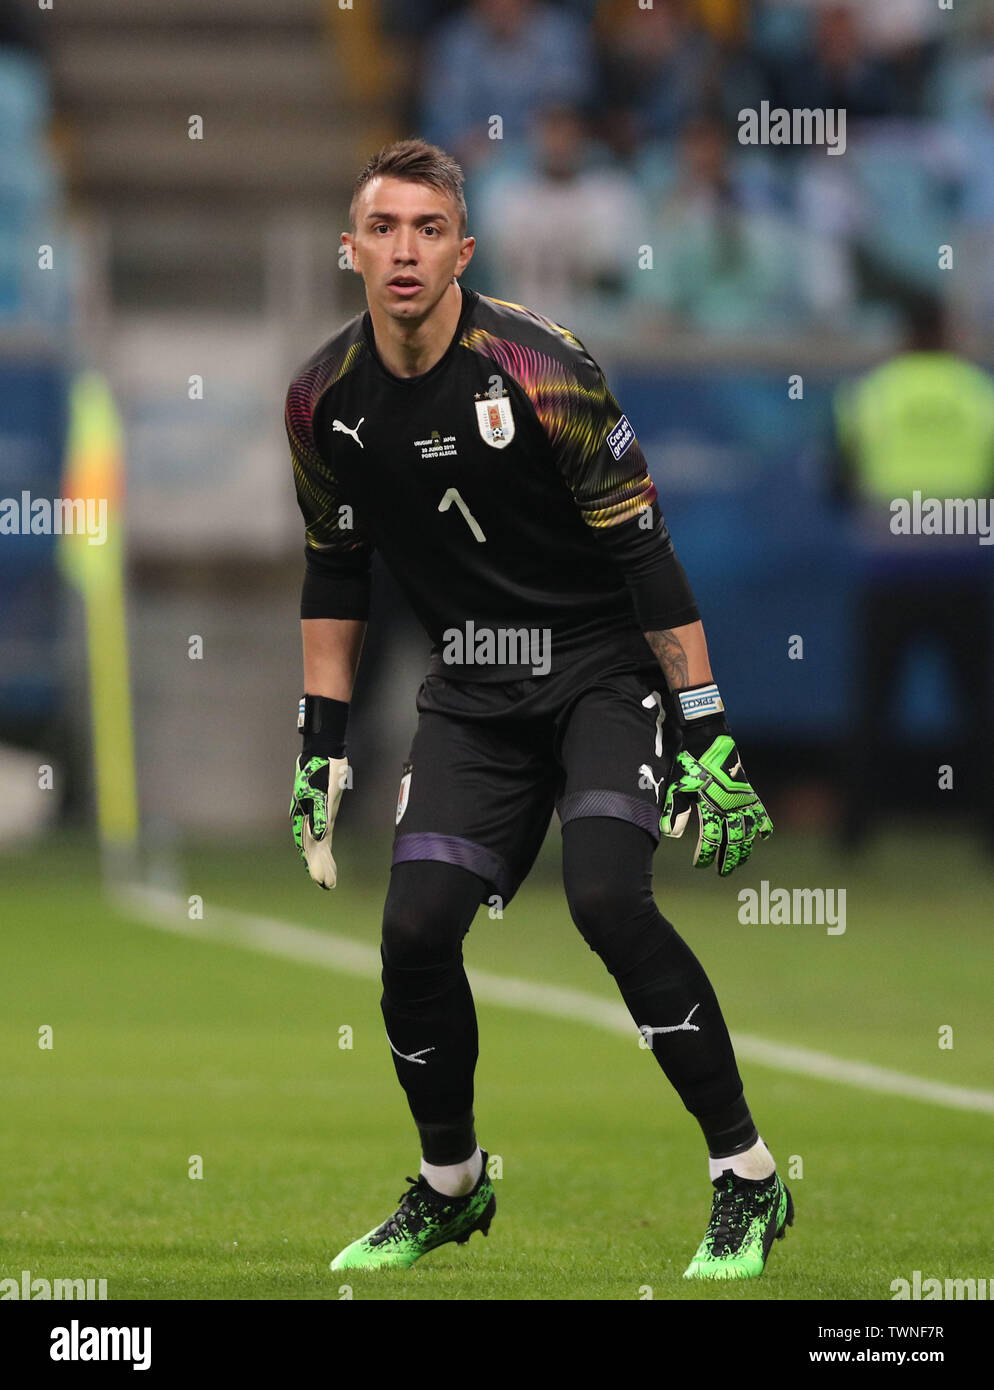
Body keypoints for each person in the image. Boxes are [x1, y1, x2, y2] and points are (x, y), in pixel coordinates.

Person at [285, 139, 792, 1279]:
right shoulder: (321, 399)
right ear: (350, 248)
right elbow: (335, 570)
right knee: (413, 931)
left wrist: (705, 727)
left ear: (464, 250)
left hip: (600, 668)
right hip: (471, 689)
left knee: (607, 897)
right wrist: (320, 744)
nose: (404, 250)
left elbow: (647, 554)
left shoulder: (540, 368)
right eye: (383, 228)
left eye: (428, 230)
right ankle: (450, 1185)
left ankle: (748, 1178)